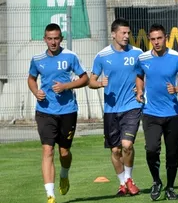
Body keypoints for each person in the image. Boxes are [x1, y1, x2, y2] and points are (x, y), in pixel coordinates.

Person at [28, 23, 89, 203]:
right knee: (47, 150)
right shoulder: (37, 59)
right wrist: (35, 91)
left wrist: (66, 86)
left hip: (67, 111)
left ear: (61, 39)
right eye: (50, 38)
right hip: (45, 111)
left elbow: (85, 78)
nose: (53, 42)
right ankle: (50, 195)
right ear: (45, 39)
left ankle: (64, 174)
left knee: (64, 152)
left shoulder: (70, 56)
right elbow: (31, 79)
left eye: (56, 38)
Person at [135, 24, 178, 200]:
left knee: (172, 153)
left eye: (159, 38)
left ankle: (170, 186)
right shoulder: (143, 58)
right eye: (152, 39)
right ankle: (156, 181)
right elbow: (139, 76)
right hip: (150, 112)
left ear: (166, 37)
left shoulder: (177, 58)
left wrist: (177, 89)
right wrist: (139, 91)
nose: (156, 42)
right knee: (151, 149)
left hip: (173, 113)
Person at [88, 19, 143, 196]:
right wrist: (99, 83)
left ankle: (129, 179)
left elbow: (147, 73)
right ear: (113, 34)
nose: (127, 36)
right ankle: (122, 184)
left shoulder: (137, 53)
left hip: (132, 106)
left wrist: (142, 88)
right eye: (123, 33)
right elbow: (91, 81)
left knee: (127, 145)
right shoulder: (102, 56)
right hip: (111, 109)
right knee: (115, 150)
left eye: (128, 33)